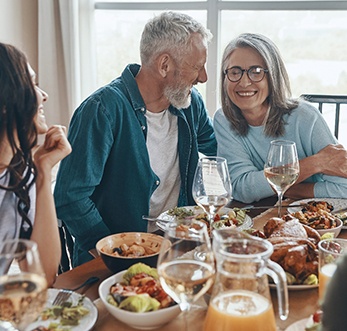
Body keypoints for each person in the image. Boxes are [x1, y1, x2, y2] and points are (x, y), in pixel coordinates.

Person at [54, 11, 217, 267]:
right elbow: (70, 197)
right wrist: (117, 253)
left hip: (177, 246)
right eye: (197, 67)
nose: (203, 77)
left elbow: (217, 149)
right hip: (115, 258)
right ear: (165, 65)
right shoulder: (102, 110)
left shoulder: (189, 104)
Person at [214, 32, 347, 204]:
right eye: (235, 72)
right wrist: (316, 163)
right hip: (259, 218)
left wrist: (281, 189)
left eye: (256, 72)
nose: (244, 82)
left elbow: (344, 188)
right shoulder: (224, 120)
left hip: (312, 219)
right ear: (225, 77)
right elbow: (241, 188)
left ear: (273, 77)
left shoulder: (306, 118)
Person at [0, 42, 72, 285]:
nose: (44, 95)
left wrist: (42, 170)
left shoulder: (20, 173)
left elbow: (43, 275)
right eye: (31, 84)